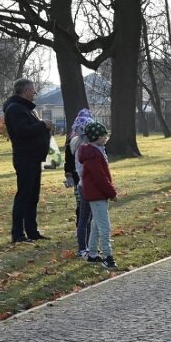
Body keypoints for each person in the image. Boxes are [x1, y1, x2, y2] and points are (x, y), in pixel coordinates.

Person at [2, 78, 54, 243]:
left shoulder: (26, 109)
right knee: (24, 195)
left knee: (33, 196)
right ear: (25, 91)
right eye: (32, 89)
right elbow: (22, 132)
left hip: (33, 158)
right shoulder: (15, 109)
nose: (35, 93)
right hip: (24, 158)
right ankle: (18, 234)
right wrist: (43, 125)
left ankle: (32, 231)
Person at [78, 121, 119, 270]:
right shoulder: (93, 154)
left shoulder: (95, 151)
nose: (106, 138)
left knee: (96, 224)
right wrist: (112, 192)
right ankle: (109, 257)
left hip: (97, 194)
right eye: (103, 136)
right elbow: (100, 177)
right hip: (97, 194)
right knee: (104, 227)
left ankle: (93, 254)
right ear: (97, 137)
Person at [65, 108, 95, 257]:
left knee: (85, 213)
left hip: (82, 182)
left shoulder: (83, 144)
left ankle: (86, 241)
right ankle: (84, 242)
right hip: (83, 182)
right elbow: (69, 161)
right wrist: (69, 175)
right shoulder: (78, 144)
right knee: (84, 213)